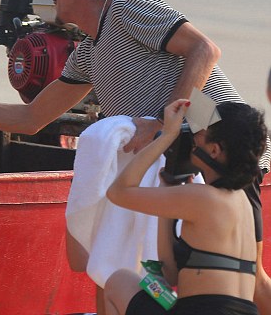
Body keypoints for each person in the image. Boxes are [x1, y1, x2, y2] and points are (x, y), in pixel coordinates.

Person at [0, 0, 271, 313]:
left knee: (251, 280)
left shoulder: (126, 8)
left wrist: (160, 122)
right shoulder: (89, 54)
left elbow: (205, 49)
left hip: (225, 148)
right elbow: (31, 118)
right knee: (128, 273)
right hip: (177, 159)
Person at [104, 98, 267, 315]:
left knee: (119, 281)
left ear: (214, 150)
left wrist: (167, 135)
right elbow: (170, 273)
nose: (192, 138)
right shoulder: (242, 202)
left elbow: (118, 192)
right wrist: (167, 194)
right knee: (142, 285)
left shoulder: (202, 198)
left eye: (198, 135)